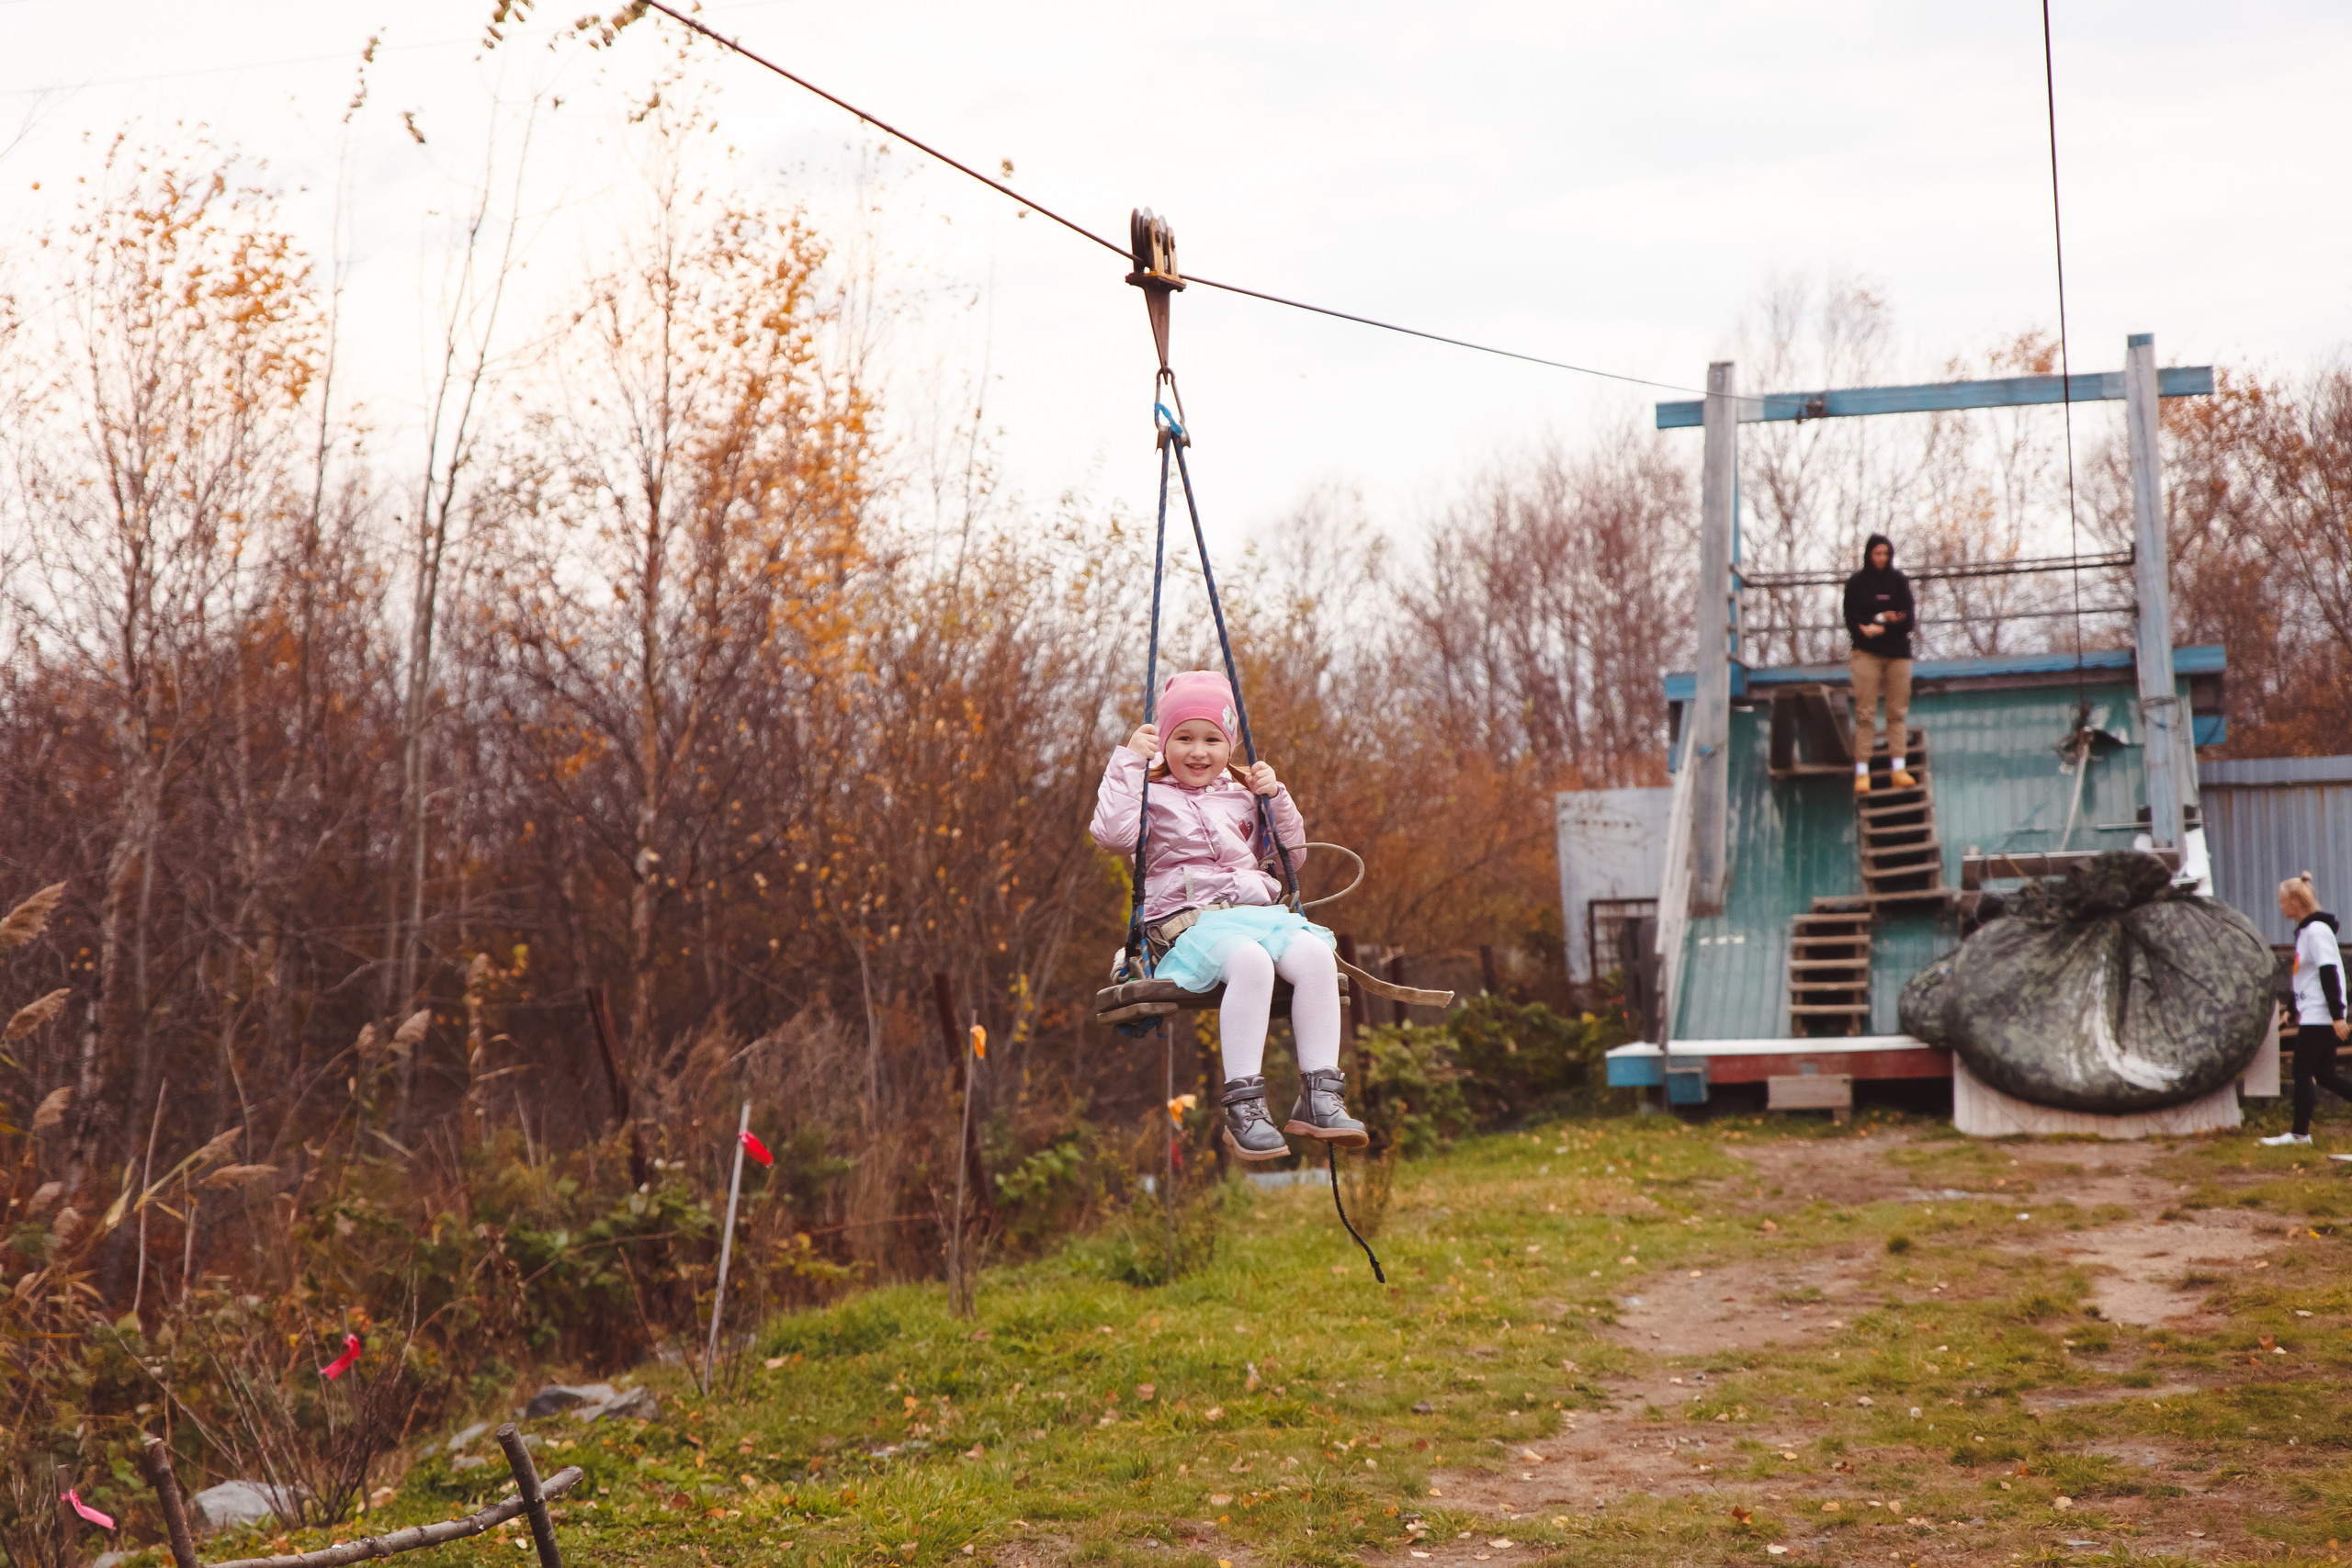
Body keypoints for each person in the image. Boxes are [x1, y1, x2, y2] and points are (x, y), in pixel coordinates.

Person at [1090, 670, 1364, 1161]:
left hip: (1257, 915)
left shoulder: (1242, 793)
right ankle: (1244, 1105)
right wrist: (1129, 761)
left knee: (1317, 957)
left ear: (1230, 744)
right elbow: (1112, 834)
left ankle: (1320, 1095)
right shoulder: (1149, 794)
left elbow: (1289, 857)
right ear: (1164, 742)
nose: (1199, 751)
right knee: (1251, 964)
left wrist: (1275, 798)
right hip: (1185, 922)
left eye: (1213, 739)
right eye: (1184, 738)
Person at [2259, 872, 2352, 1147]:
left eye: (2282, 901)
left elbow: (2330, 972)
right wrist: (2290, 1009)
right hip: (2314, 1013)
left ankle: (2300, 1134)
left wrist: (2337, 1016)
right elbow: (2303, 975)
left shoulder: (2317, 932)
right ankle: (2300, 1134)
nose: (2280, 906)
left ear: (2296, 902)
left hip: (2321, 1015)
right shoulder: (2306, 933)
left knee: (2301, 1072)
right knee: (2325, 1075)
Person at [1843, 532, 1917, 795]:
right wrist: (1881, 617)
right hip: (1866, 653)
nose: (1881, 558)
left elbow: (1908, 620)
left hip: (1898, 654)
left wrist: (1882, 628)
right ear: (1869, 554)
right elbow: (1854, 621)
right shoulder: (1856, 583)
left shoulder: (1899, 581)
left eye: (1886, 554)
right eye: (1877, 553)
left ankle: (1899, 767)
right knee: (1865, 713)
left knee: (1897, 712)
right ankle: (1862, 771)